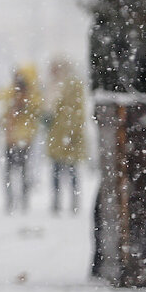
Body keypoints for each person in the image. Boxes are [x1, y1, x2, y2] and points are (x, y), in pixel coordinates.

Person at [0, 65, 41, 214]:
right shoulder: (12, 93)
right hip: (12, 138)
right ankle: (12, 200)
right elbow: (1, 104)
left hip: (23, 139)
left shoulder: (31, 96)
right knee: (12, 172)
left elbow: (36, 111)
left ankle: (21, 200)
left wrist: (23, 105)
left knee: (21, 172)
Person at [46, 58, 88, 214]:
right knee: (56, 171)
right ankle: (56, 202)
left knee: (72, 171)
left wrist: (73, 132)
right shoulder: (51, 86)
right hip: (56, 135)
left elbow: (79, 110)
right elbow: (48, 110)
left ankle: (74, 202)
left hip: (70, 134)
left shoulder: (73, 85)